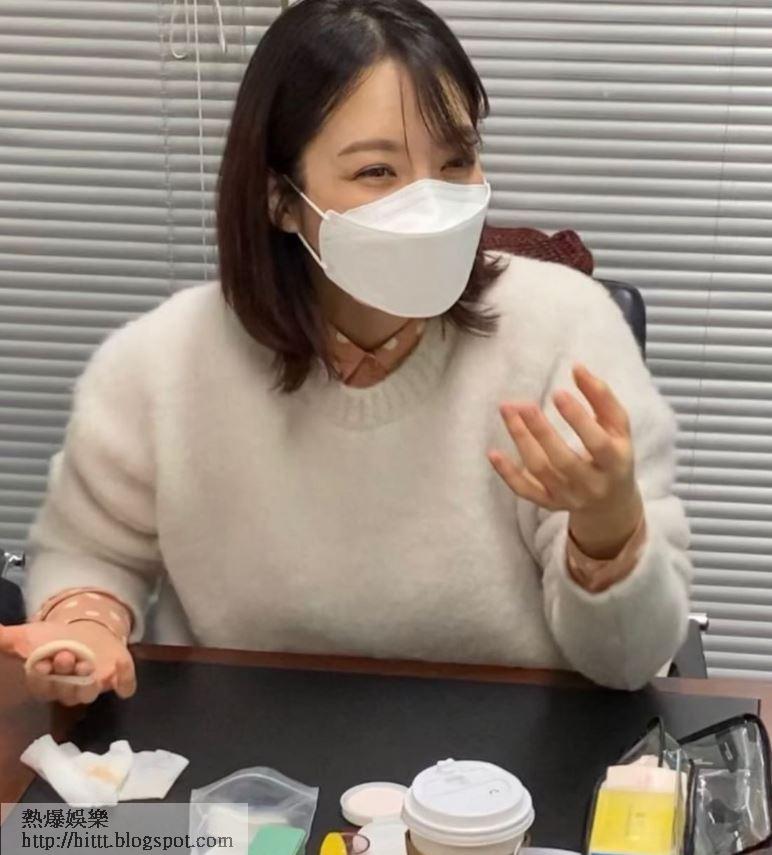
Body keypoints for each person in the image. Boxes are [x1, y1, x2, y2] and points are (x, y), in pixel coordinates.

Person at [0, 0, 693, 706]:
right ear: (281, 198)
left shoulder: (567, 330)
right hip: (250, 754)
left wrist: (609, 532)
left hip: (507, 757)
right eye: (377, 172)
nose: (430, 205)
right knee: (66, 790)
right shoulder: (165, 362)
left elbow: (629, 663)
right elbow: (92, 551)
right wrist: (86, 627)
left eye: (456, 161)